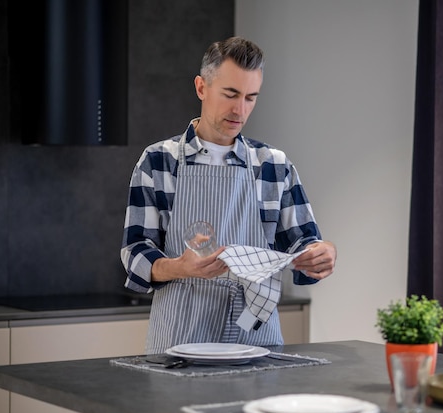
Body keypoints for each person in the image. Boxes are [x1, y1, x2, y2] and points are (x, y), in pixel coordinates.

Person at [121, 36, 337, 354]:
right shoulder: (158, 161)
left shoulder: (274, 165)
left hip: (256, 339)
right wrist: (180, 267)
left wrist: (321, 254)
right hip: (181, 339)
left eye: (251, 97)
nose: (240, 109)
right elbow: (135, 252)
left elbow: (303, 242)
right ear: (201, 87)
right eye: (231, 94)